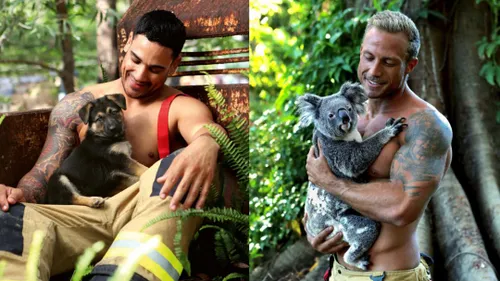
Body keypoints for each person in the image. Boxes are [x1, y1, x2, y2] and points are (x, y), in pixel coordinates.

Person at [0, 10, 226, 281]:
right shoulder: (78, 105)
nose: (140, 75)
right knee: (10, 219)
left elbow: (204, 132)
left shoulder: (181, 108)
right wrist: (15, 195)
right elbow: (42, 174)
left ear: (174, 65)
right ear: (128, 43)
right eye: (135, 59)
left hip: (143, 218)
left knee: (178, 167)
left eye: (155, 69)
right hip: (82, 218)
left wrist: (207, 144)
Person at [304, 10, 452, 280]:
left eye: (388, 62)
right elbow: (315, 183)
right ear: (360, 52)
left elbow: (400, 208)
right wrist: (314, 229)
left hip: (389, 274)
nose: (373, 71)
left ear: (410, 65)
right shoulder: (342, 112)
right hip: (338, 271)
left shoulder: (426, 126)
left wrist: (332, 183)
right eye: (369, 57)